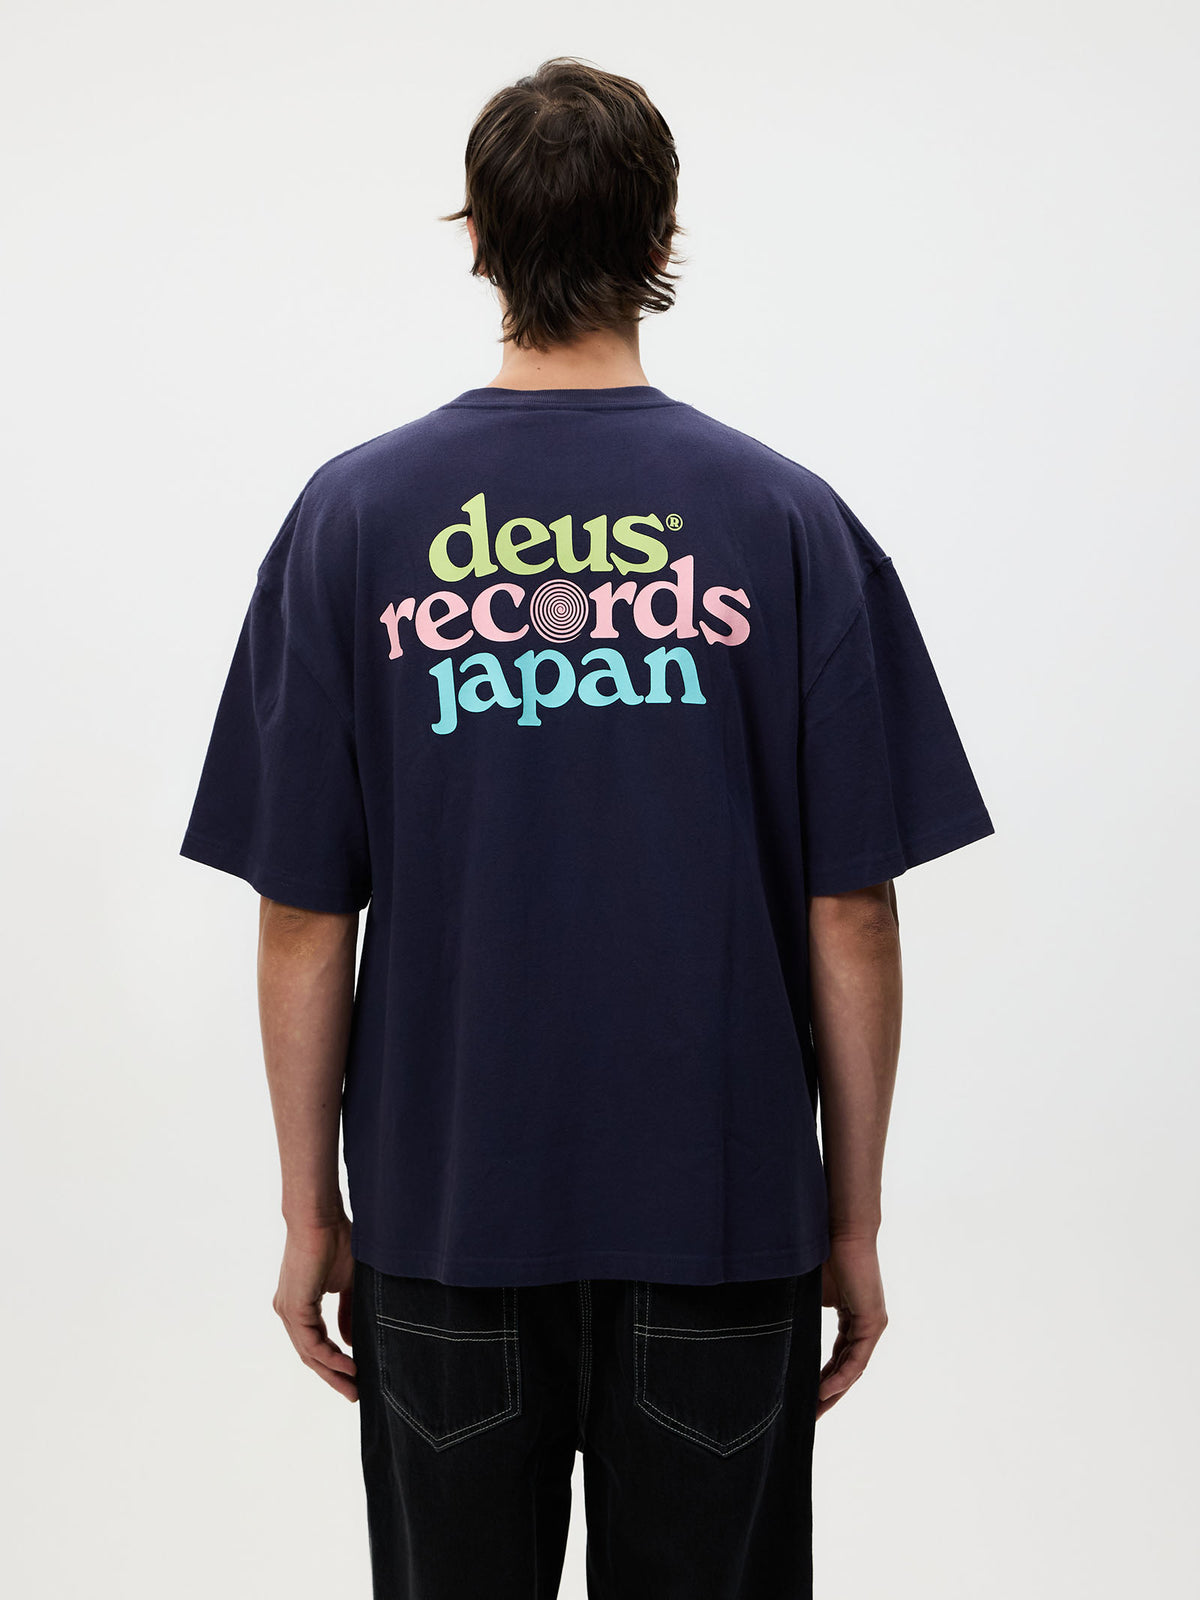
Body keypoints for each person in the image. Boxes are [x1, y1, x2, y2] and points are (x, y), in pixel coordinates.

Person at [179, 55, 994, 1600]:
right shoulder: (786, 520)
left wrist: (309, 1212)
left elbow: (302, 910)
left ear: (480, 236)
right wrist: (855, 1220)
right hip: (726, 1217)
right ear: (663, 233)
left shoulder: (353, 519)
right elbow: (851, 909)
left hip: (445, 1217)